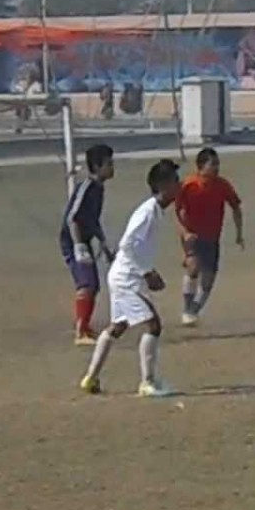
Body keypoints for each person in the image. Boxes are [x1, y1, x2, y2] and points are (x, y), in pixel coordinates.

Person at [79, 159, 183, 398]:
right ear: (163, 185)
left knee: (118, 326)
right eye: (175, 181)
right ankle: (148, 382)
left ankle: (90, 378)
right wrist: (146, 272)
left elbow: (138, 248)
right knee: (153, 325)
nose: (179, 186)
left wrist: (148, 270)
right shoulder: (147, 212)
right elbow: (127, 245)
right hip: (127, 278)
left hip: (123, 274)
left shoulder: (156, 212)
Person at [175, 147, 245, 327]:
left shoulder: (222, 185)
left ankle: (194, 310)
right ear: (201, 166)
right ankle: (187, 310)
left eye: (217, 164)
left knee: (208, 281)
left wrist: (239, 234)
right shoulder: (189, 185)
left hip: (212, 238)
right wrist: (185, 233)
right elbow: (177, 213)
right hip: (193, 236)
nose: (216, 168)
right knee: (193, 268)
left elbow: (236, 207)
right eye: (212, 164)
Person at [60, 144, 116, 346]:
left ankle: (85, 326)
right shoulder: (87, 188)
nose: (112, 167)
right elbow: (72, 218)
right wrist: (78, 246)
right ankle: (80, 332)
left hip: (84, 240)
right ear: (97, 166)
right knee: (87, 284)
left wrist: (103, 243)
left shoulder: (99, 189)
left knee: (93, 285)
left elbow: (92, 220)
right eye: (109, 164)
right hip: (73, 240)